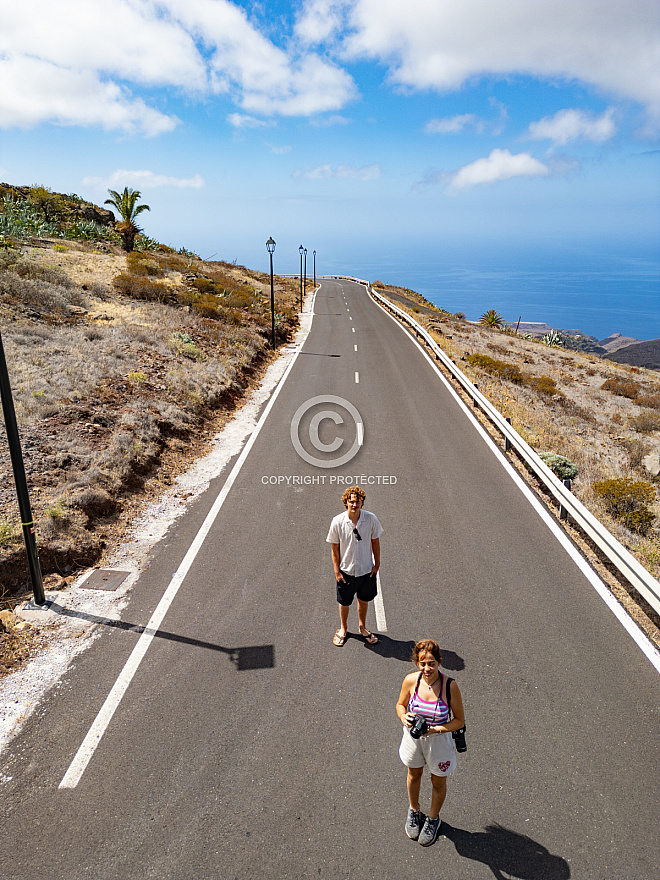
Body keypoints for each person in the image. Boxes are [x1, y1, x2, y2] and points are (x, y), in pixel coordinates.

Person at [396, 639, 466, 847]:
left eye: (432, 663)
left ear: (440, 662)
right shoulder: (411, 681)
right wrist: (403, 717)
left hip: (439, 741)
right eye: (423, 663)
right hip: (414, 739)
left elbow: (459, 721)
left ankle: (433, 819)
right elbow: (400, 704)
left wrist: (436, 728)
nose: (427, 669)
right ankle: (414, 810)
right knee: (414, 774)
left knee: (438, 781)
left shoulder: (450, 686)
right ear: (417, 663)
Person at [326, 485, 382, 647]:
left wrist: (376, 564)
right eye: (351, 502)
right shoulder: (338, 521)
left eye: (357, 501)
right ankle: (343, 628)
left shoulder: (371, 519)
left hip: (366, 571)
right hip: (346, 571)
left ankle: (362, 627)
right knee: (344, 602)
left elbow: (375, 541)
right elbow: (334, 547)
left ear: (362, 502)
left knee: (364, 601)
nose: (354, 505)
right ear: (346, 503)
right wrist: (337, 571)